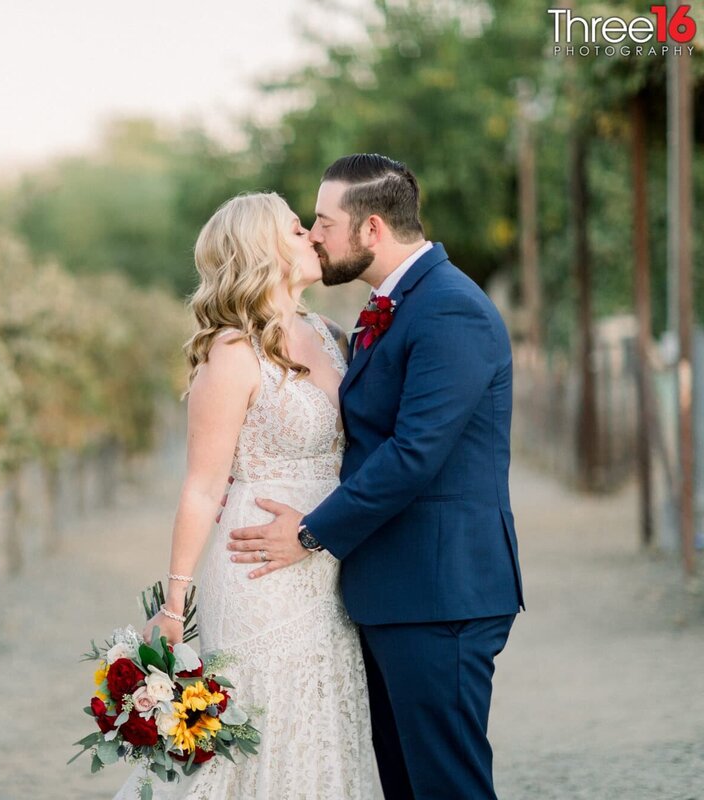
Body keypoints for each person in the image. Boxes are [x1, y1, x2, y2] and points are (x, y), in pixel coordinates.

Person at [228, 154, 525, 800]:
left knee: (447, 786)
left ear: (370, 231)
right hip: (394, 592)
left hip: (440, 593)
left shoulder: (450, 310)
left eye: (324, 222)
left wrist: (309, 532)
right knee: (401, 784)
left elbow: (415, 454)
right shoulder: (386, 307)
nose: (313, 234)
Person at [113, 191, 376, 799]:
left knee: (325, 729)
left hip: (328, 567)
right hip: (260, 575)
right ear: (263, 250)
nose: (313, 234)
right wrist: (175, 604)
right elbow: (203, 487)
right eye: (295, 228)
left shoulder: (332, 334)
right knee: (265, 733)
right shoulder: (233, 352)